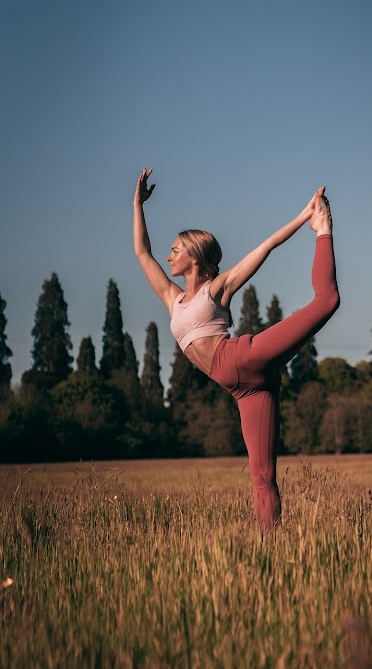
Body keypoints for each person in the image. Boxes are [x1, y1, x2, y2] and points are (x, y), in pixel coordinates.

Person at [133, 168, 340, 532]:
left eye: (176, 250)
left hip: (242, 358)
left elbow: (267, 246)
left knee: (327, 300)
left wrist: (307, 216)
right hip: (244, 389)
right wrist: (138, 204)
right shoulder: (173, 299)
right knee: (262, 478)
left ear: (194, 257)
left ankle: (324, 230)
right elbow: (142, 252)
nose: (169, 257)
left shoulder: (218, 289)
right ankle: (270, 551)